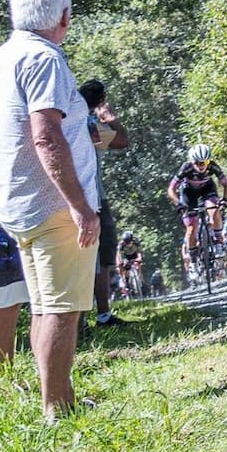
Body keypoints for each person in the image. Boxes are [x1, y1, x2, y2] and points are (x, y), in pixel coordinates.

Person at [0, 0, 99, 419]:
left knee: (43, 306)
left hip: (17, 202)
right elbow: (46, 136)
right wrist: (79, 206)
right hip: (52, 205)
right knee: (62, 311)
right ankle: (57, 409)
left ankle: (57, 395)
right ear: (64, 16)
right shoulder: (45, 58)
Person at [78, 79, 130, 327]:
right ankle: (102, 314)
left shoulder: (68, 120)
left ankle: (79, 319)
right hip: (94, 197)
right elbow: (122, 140)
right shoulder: (92, 124)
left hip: (63, 196)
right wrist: (109, 116)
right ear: (99, 101)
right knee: (101, 254)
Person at [0, 166, 29, 369]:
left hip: (5, 226)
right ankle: (3, 374)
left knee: (9, 303)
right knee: (5, 303)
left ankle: (4, 374)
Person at [167, 143, 227, 276]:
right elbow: (171, 189)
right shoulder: (186, 168)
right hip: (188, 193)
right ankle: (193, 262)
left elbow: (226, 184)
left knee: (214, 210)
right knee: (192, 227)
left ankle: (217, 241)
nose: (201, 165)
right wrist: (178, 204)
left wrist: (225, 200)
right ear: (192, 162)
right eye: (198, 163)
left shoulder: (212, 166)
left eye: (204, 162)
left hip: (207, 189)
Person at [115, 231, 142, 297]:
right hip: (126, 256)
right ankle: (124, 281)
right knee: (122, 267)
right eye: (126, 242)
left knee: (139, 264)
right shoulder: (121, 244)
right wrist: (119, 263)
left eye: (129, 242)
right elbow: (118, 255)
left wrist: (139, 259)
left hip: (134, 254)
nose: (128, 244)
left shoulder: (136, 241)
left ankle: (139, 277)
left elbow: (139, 252)